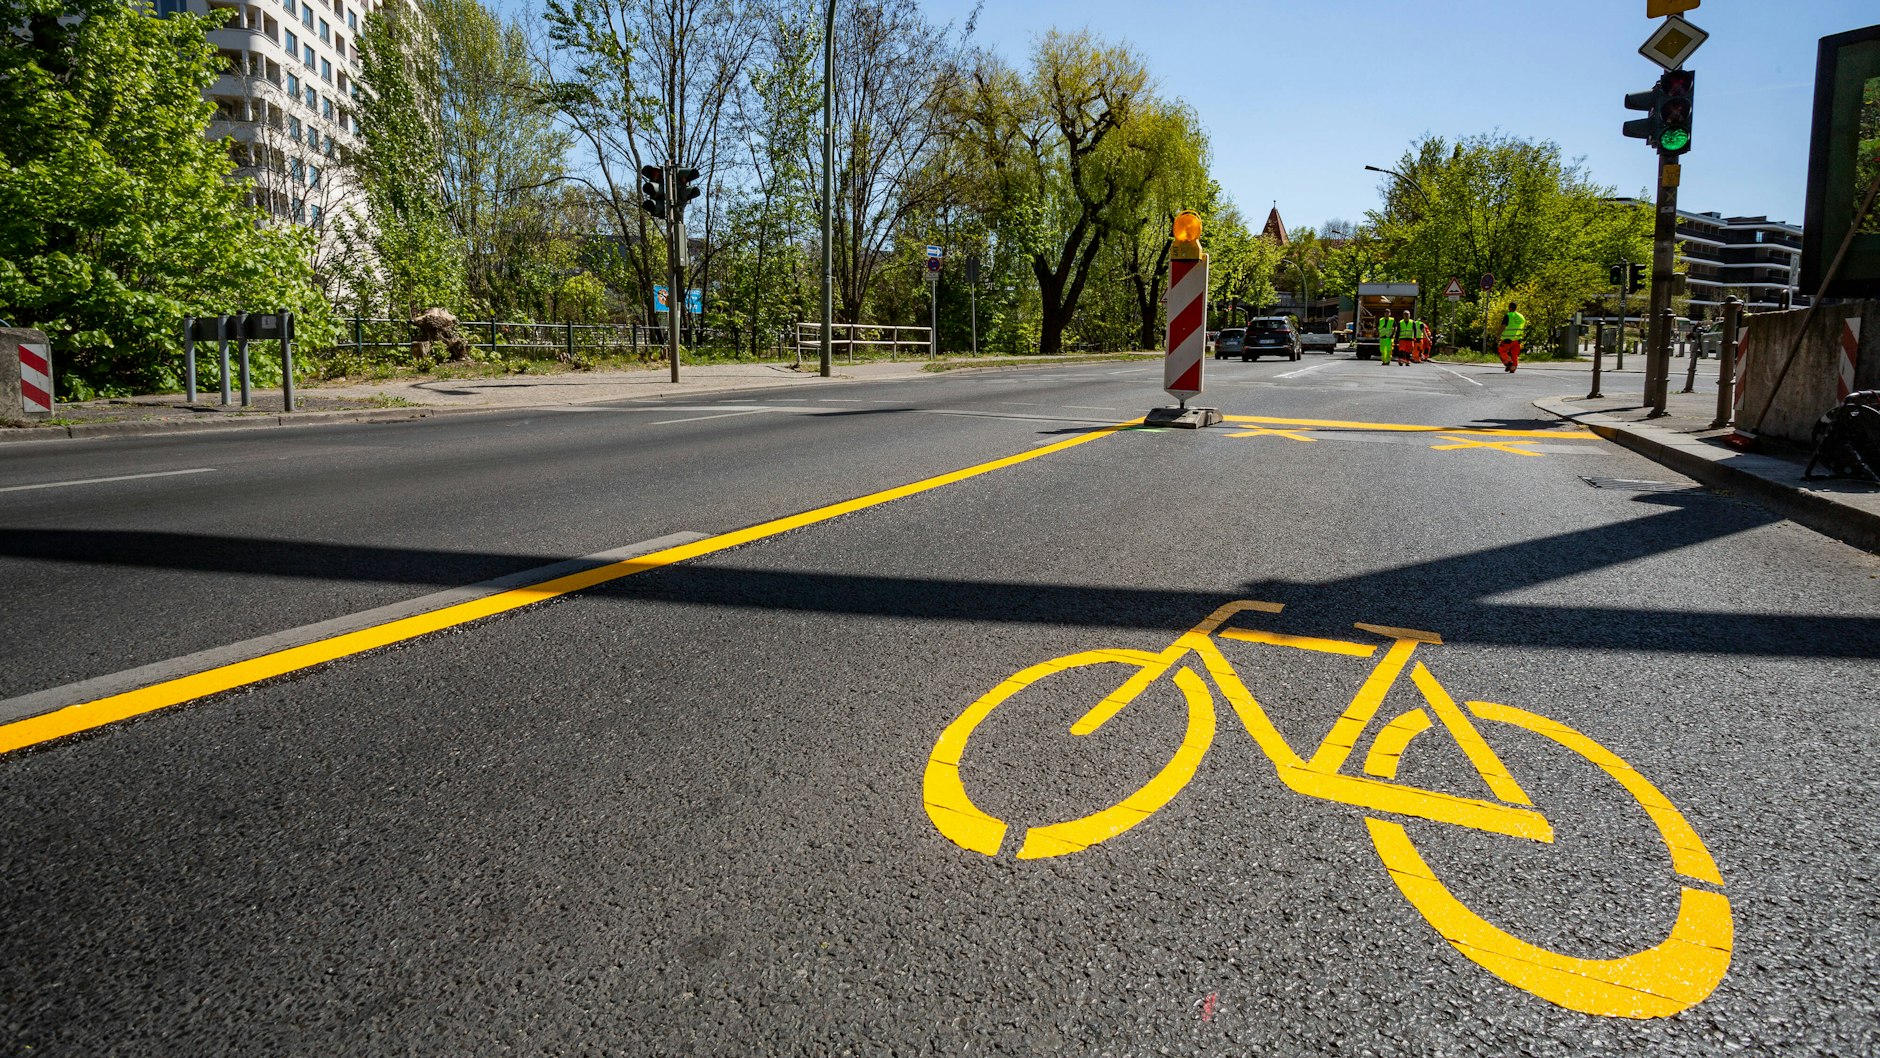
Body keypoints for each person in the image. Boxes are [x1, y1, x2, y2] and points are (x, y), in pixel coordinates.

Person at [1498, 301, 1527, 373]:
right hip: (1518, 339)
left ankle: (1509, 363)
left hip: (1507, 338)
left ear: (1509, 307)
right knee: (1515, 354)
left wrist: (1498, 335)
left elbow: (1503, 326)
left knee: (1501, 351)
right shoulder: (1521, 317)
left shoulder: (1508, 315)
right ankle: (1513, 368)